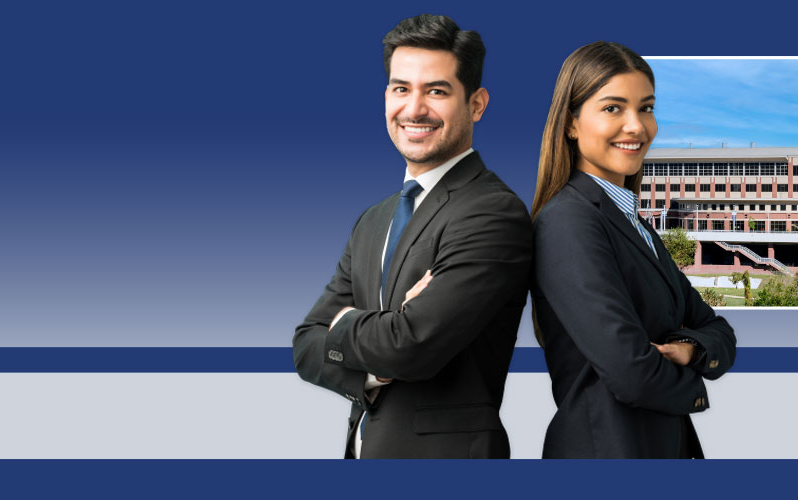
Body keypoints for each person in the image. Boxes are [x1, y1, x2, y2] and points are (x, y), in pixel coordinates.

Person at [292, 14, 532, 459]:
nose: (414, 108)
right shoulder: (373, 220)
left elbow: (411, 346)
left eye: (436, 91)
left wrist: (344, 325)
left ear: (476, 104)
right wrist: (378, 364)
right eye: (401, 88)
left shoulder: (492, 213)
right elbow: (306, 344)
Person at [529, 41, 737, 459]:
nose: (636, 126)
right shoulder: (568, 221)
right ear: (571, 123)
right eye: (613, 108)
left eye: (646, 108)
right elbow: (631, 372)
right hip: (606, 451)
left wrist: (693, 349)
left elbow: (718, 329)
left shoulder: (634, 223)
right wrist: (697, 380)